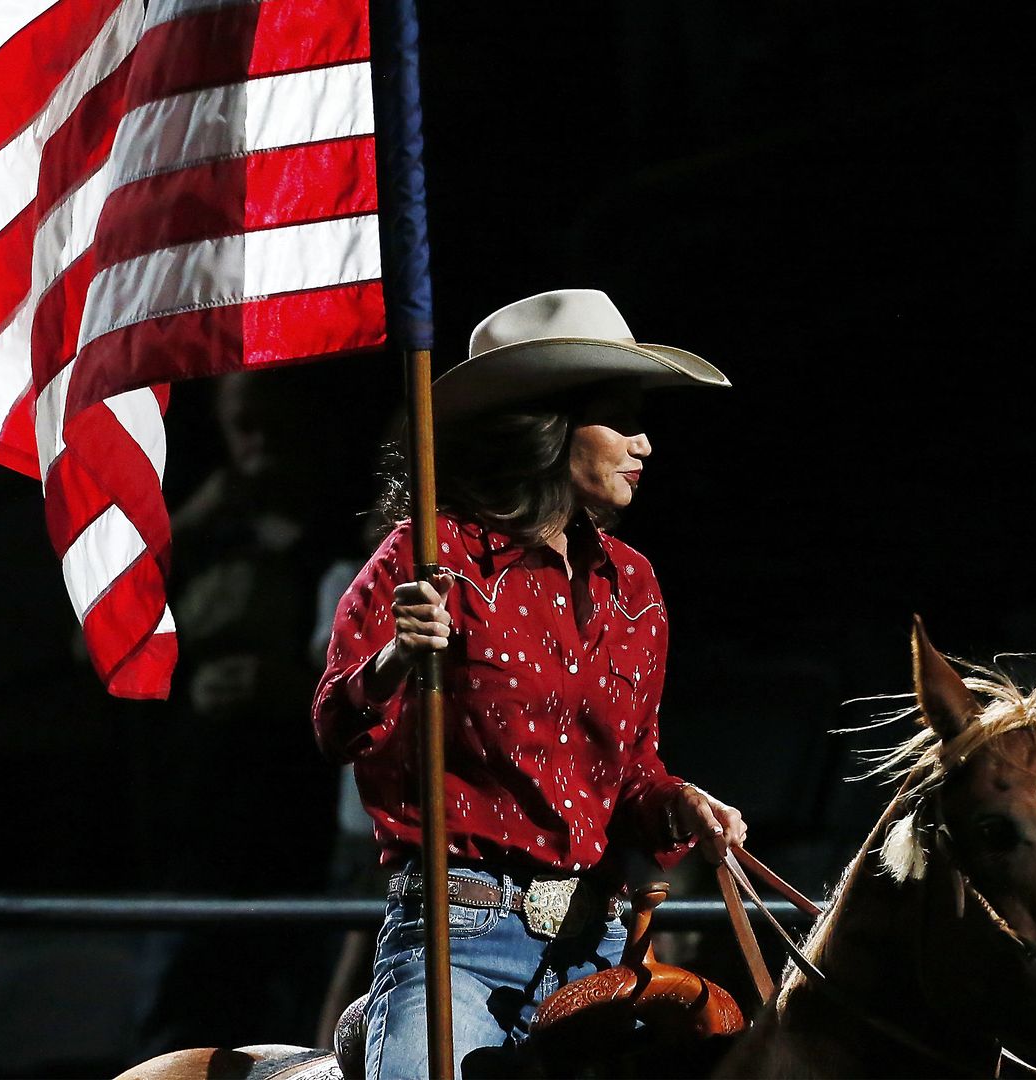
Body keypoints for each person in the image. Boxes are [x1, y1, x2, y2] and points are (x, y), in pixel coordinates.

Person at [313, 289, 749, 1078]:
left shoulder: (636, 586)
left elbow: (636, 773)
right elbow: (333, 726)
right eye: (622, 419)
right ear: (551, 427)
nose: (645, 443)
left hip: (605, 944)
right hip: (457, 943)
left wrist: (681, 802)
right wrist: (395, 663)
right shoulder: (429, 555)